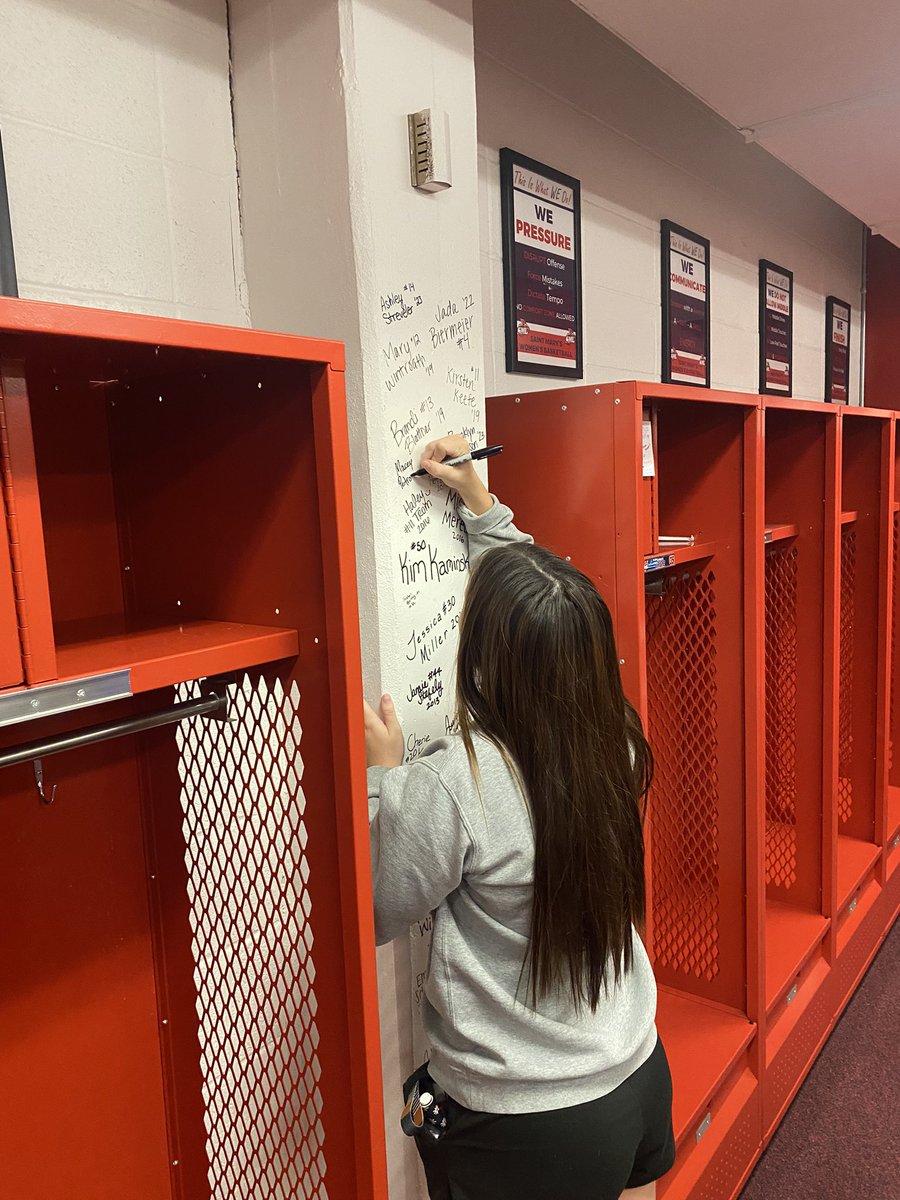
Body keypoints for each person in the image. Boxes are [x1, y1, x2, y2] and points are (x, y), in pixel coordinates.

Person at [364, 436, 675, 1200]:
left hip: (526, 1122)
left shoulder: (453, 784)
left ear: (487, 657)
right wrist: (481, 507)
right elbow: (549, 610)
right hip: (636, 1073)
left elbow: (378, 906)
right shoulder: (618, 742)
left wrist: (384, 779)